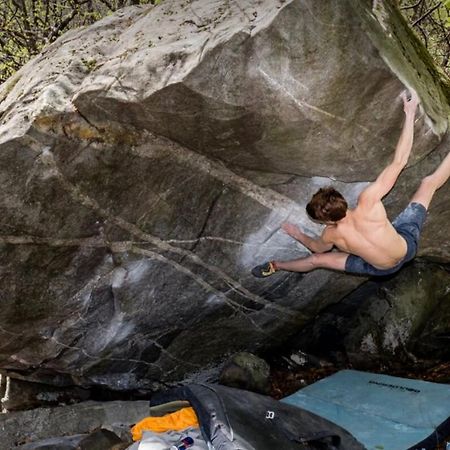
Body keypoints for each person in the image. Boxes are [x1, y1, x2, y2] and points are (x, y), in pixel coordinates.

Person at [252, 90, 450, 277]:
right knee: (428, 184)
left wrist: (297, 234)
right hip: (406, 248)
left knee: (315, 260)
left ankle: (275, 265)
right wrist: (410, 112)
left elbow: (316, 248)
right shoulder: (368, 201)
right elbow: (400, 161)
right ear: (342, 200)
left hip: (381, 269)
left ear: (326, 222)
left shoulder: (331, 235)